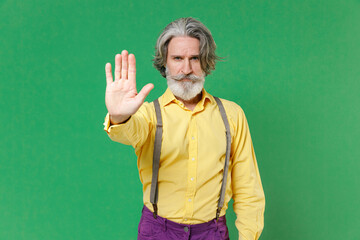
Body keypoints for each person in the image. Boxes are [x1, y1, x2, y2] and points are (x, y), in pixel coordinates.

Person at [103, 17, 265, 240]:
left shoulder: (232, 115)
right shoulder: (148, 115)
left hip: (212, 233)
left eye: (195, 58)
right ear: (165, 63)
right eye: (177, 58)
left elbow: (248, 189)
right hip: (158, 231)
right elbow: (128, 131)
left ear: (205, 63)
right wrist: (119, 116)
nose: (186, 69)